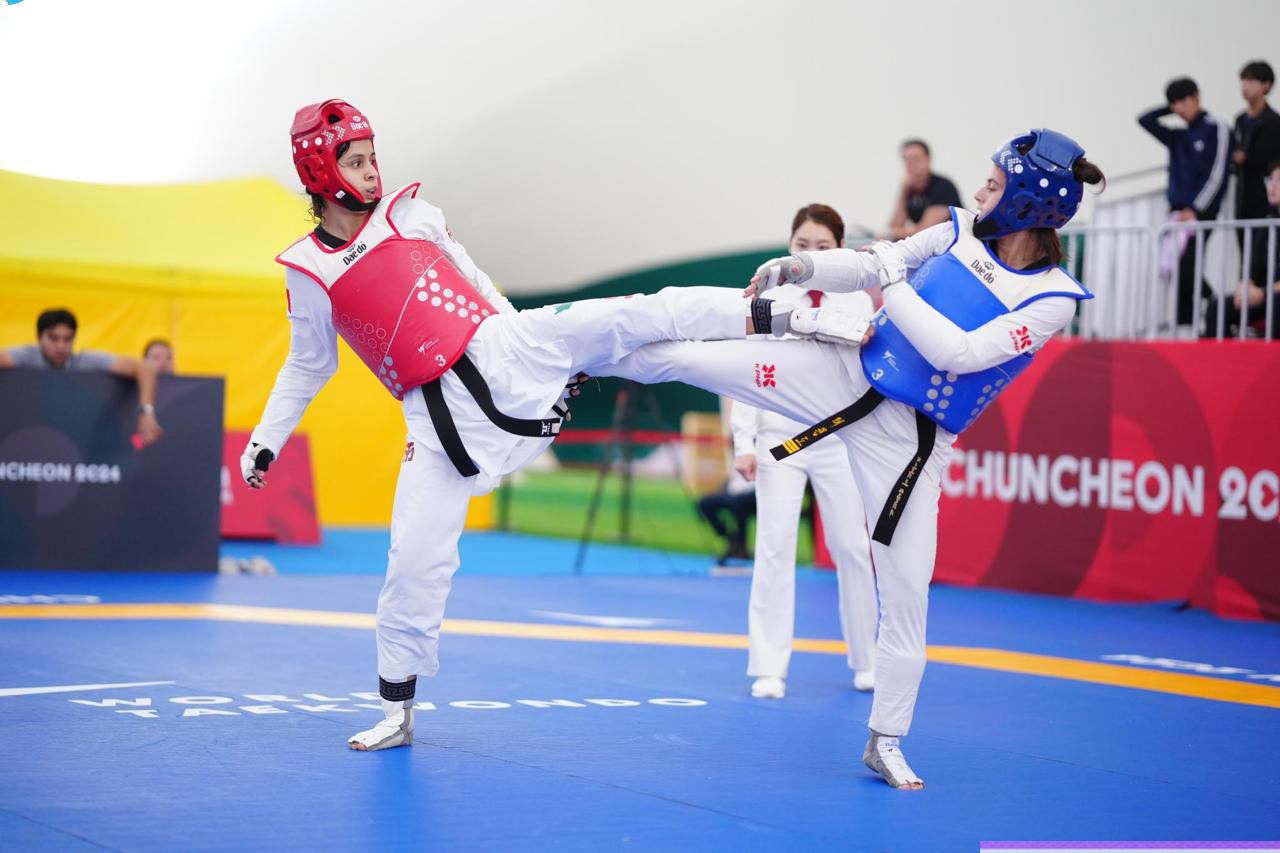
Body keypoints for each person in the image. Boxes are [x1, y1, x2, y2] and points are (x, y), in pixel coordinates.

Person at [242, 99, 823, 752]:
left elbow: (473, 277)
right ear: (321, 170)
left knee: (635, 321)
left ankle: (779, 315)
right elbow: (308, 362)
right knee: (413, 560)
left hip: (505, 347)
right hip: (434, 423)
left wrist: (538, 354)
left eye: (373, 156)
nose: (372, 170)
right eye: (355, 160)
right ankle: (395, 708)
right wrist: (266, 439)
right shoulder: (309, 271)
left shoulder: (411, 214)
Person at [599, 129, 1104, 789]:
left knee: (907, 593)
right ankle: (575, 349)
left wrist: (893, 286)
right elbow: (871, 265)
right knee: (701, 359)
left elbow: (961, 353)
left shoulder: (1053, 297)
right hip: (851, 376)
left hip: (915, 444)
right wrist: (805, 268)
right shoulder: (953, 228)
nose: (979, 191)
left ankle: (886, 737)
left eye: (994, 183)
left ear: (1031, 204)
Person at [730, 203, 877, 700]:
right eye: (802, 245)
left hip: (836, 437)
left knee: (852, 548)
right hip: (780, 437)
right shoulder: (767, 293)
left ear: (840, 249)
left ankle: (867, 657)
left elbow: (865, 368)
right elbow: (748, 367)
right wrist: (743, 441)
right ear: (789, 245)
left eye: (823, 246)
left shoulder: (858, 297)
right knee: (773, 548)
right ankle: (769, 666)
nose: (810, 254)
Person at [1138, 78, 1231, 333]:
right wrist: (1171, 107)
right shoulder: (1178, 135)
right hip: (1177, 215)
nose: (1179, 107)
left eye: (1183, 100)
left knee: (1188, 266)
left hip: (1201, 214)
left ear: (1196, 97)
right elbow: (1144, 120)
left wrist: (1197, 209)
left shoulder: (1217, 127)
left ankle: (1214, 306)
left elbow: (1218, 173)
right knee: (1176, 270)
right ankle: (1185, 327)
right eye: (1174, 102)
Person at [0, 308, 164, 446]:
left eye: (67, 339)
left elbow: (146, 367)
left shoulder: (84, 360)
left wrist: (146, 413)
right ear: (38, 337)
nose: (61, 346)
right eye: (53, 338)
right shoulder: (26, 356)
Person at [1206, 160, 1280, 338]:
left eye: (1278, 181)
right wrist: (1245, 287)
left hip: (1273, 296)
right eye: (1270, 180)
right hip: (1266, 295)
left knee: (1277, 303)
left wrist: (1263, 293)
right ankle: (1219, 362)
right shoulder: (1267, 224)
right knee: (1218, 306)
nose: (1272, 186)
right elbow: (1252, 268)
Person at [1232, 61, 1280, 254]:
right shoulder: (1240, 119)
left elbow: (1271, 158)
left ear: (1266, 85)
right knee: (1244, 249)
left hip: (1264, 196)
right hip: (1242, 194)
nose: (1245, 86)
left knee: (1263, 249)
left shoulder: (1274, 122)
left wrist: (1245, 158)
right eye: (1243, 81)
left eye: (1251, 80)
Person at [881, 140, 962, 240]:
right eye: (907, 159)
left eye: (916, 158)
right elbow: (894, 226)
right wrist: (903, 193)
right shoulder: (909, 189)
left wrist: (892, 233)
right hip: (927, 247)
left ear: (928, 159)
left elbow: (926, 230)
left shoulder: (943, 187)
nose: (911, 163)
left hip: (952, 246)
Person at [694, 467, 756, 565]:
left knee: (738, 503)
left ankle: (740, 547)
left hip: (755, 494)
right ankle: (731, 538)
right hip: (732, 493)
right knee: (705, 503)